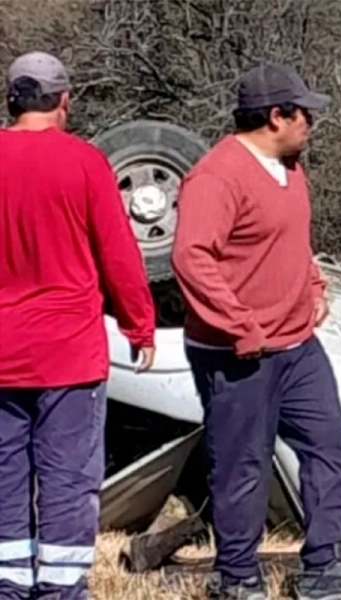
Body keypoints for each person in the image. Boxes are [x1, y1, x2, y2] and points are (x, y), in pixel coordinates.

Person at [170, 63, 341, 600]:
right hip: (236, 352)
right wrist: (240, 325)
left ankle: (324, 565)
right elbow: (192, 258)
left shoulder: (291, 168)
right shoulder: (217, 177)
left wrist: (314, 284)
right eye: (303, 112)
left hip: (297, 346)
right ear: (276, 116)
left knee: (331, 445)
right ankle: (237, 576)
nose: (310, 121)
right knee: (242, 461)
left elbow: (291, 241)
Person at [0, 52, 157, 600]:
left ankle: (8, 584)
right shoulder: (85, 163)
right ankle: (62, 588)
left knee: (4, 477)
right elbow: (120, 256)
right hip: (68, 354)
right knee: (67, 479)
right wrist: (140, 325)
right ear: (64, 101)